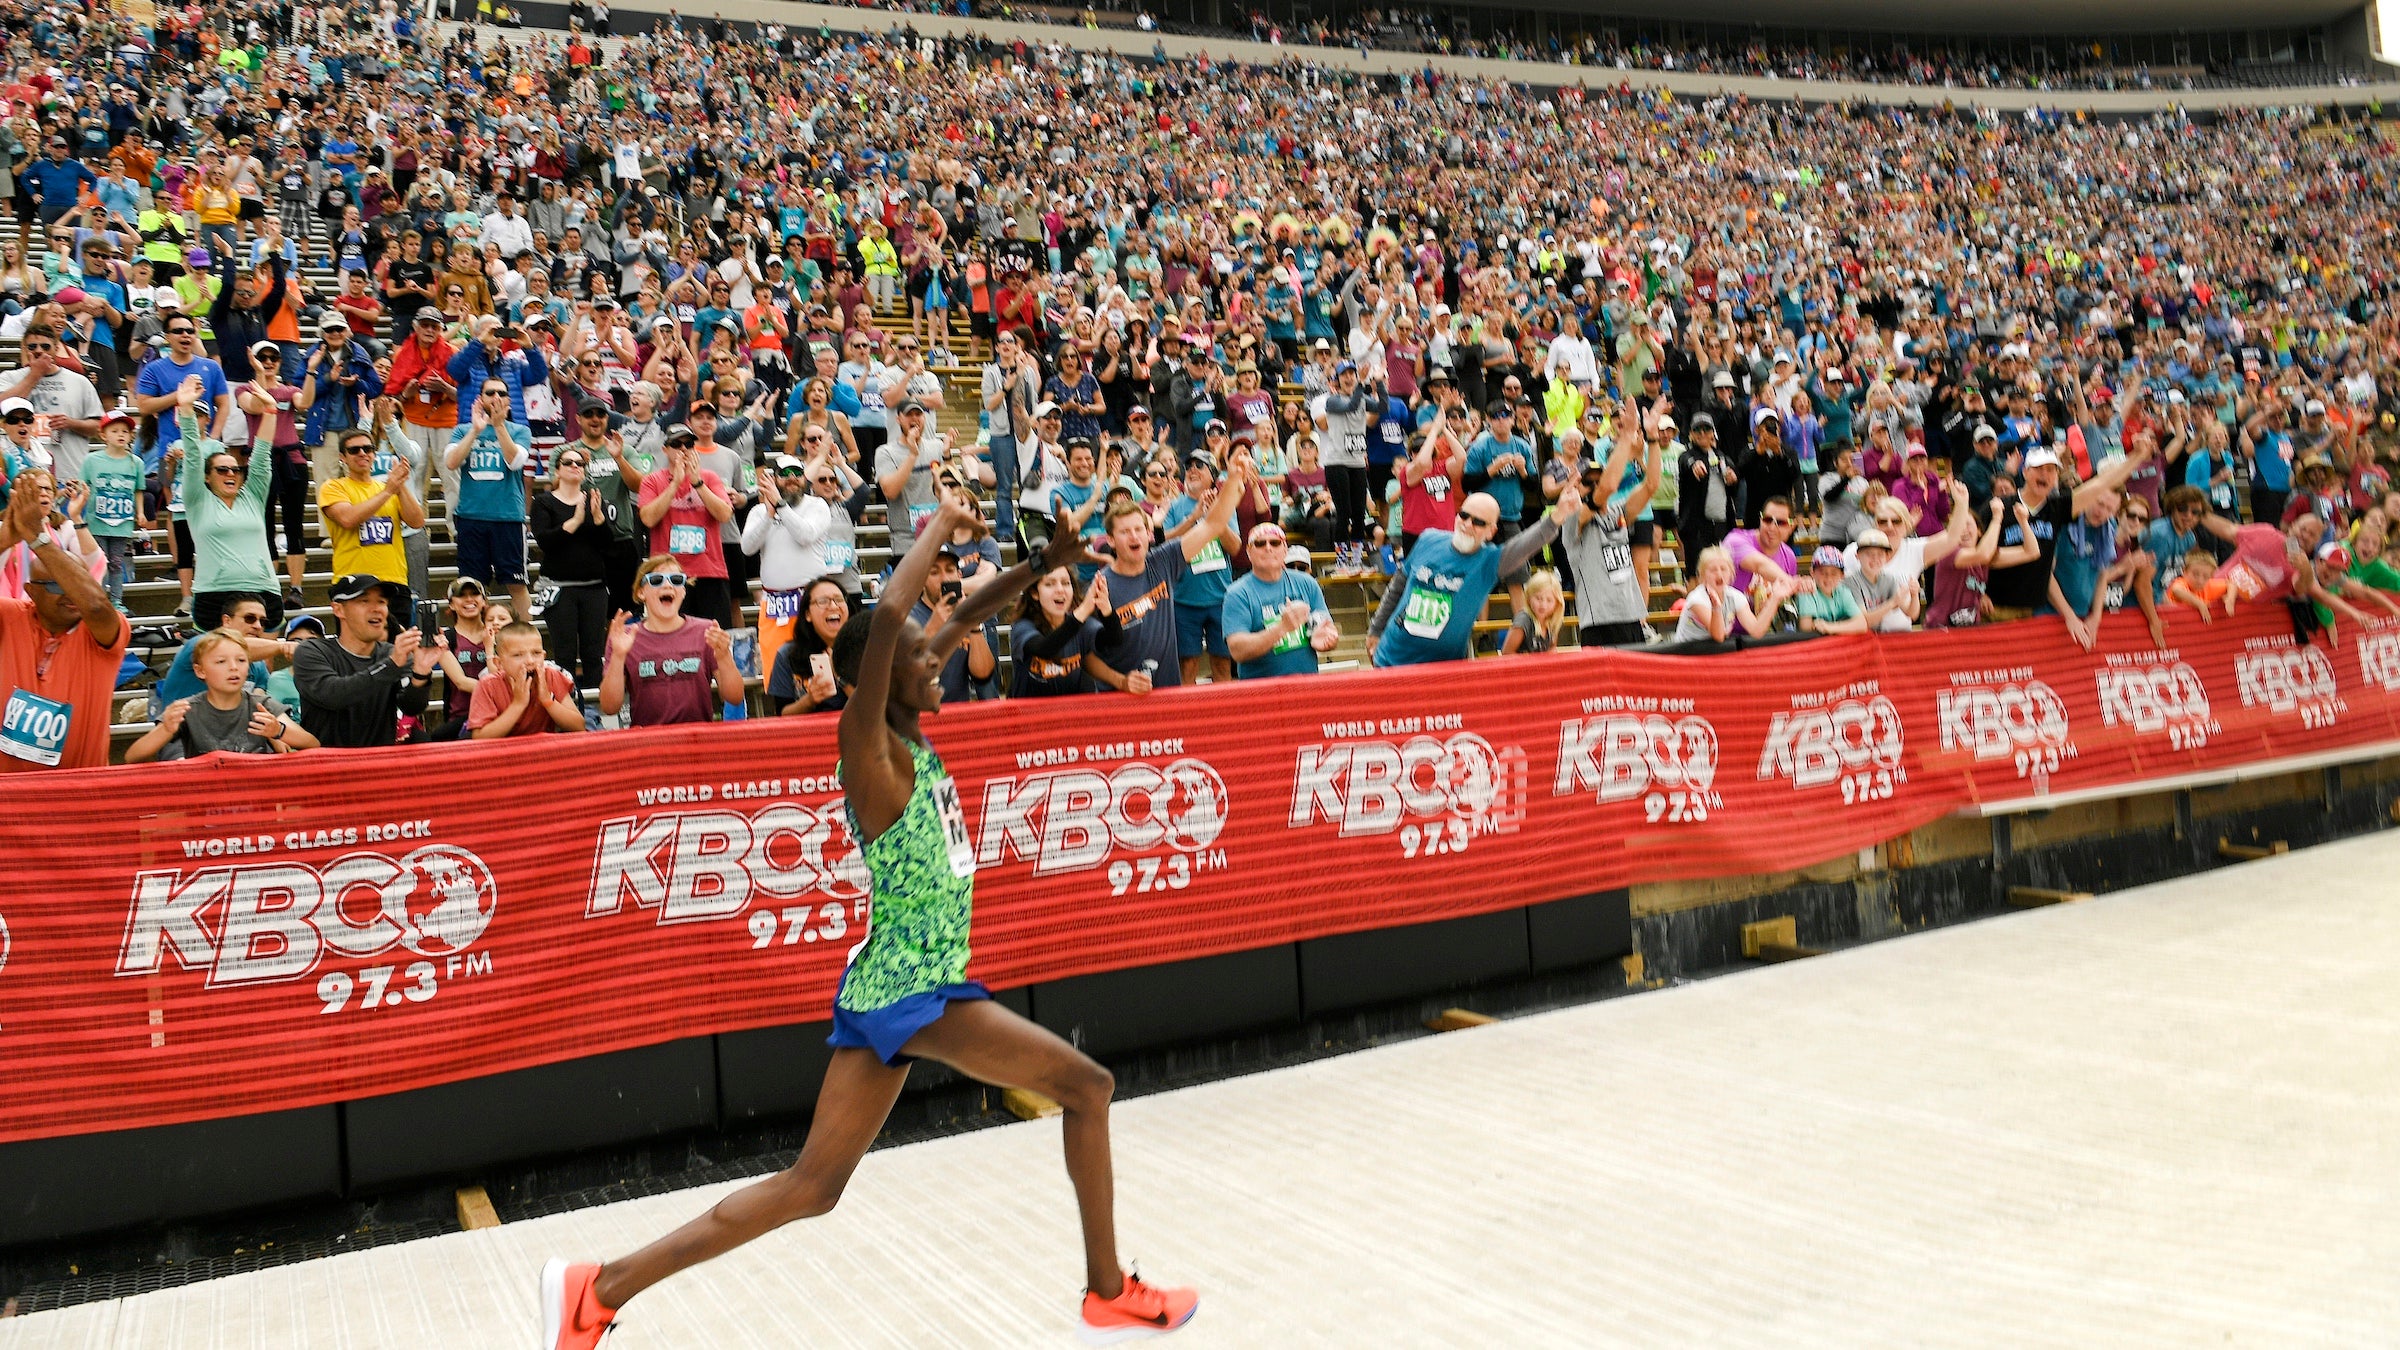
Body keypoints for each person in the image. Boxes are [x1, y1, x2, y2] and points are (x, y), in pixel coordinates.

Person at [537, 489, 1198, 1350]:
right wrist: (941, 523)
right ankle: (1107, 1290)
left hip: (893, 980)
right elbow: (892, 615)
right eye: (921, 660)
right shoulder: (869, 744)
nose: (941, 662)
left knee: (812, 1187)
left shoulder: (910, 727)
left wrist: (1041, 568)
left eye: (936, 654)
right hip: (917, 989)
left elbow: (948, 617)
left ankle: (599, 1287)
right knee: (1089, 1086)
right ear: (873, 679)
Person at [1083, 453, 1254, 694]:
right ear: (1110, 539)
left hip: (1166, 694)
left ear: (1148, 534)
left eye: (1139, 529)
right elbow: (1085, 656)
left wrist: (1234, 477)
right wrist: (1121, 681)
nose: (1134, 536)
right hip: (1121, 700)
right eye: (1125, 532)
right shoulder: (1101, 586)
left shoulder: (1164, 560)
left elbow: (1212, 524)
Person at [1369, 483, 1580, 668]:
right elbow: (1397, 587)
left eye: (1479, 522)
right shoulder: (1427, 540)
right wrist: (1376, 630)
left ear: (1491, 531)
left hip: (1444, 671)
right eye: (1464, 515)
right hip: (1391, 661)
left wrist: (1557, 516)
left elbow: (1525, 545)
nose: (1468, 524)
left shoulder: (1490, 562)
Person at [0, 478, 126, 771]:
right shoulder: (10, 616)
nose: (73, 596)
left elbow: (94, 603)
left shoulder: (101, 630)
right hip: (8, 801)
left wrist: (38, 539)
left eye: (78, 585)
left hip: (79, 799)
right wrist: (10, 533)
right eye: (58, 586)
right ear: (32, 591)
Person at [1554, 411, 1663, 648]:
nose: (1594, 486)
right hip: (1599, 622)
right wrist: (1625, 438)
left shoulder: (1618, 512)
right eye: (1587, 483)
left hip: (1631, 615)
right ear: (1576, 488)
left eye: (1597, 480)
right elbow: (1607, 487)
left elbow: (1652, 484)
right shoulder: (1574, 519)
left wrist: (1652, 440)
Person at [291, 574, 436, 749]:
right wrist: (391, 665)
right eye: (364, 601)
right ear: (339, 610)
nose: (376, 608)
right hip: (326, 768)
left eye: (381, 602)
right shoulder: (311, 651)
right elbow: (333, 695)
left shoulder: (391, 654)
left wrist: (421, 673)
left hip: (377, 766)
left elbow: (412, 707)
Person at [126, 630, 318, 761]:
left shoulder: (262, 705)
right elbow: (132, 756)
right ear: (200, 671)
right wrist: (165, 729)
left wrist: (279, 730)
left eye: (242, 660)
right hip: (207, 804)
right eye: (221, 661)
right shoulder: (187, 708)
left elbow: (312, 743)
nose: (233, 667)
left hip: (255, 805)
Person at [597, 557, 744, 727]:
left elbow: (734, 697)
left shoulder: (707, 630)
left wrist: (724, 657)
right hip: (649, 743)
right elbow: (609, 706)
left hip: (697, 741)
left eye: (676, 580)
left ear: (683, 591)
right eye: (656, 580)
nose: (667, 585)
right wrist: (618, 656)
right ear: (641, 592)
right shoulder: (625, 637)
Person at [445, 378, 535, 617]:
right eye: (490, 392)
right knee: (471, 586)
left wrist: (499, 426)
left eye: (502, 393)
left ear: (508, 399)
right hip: (471, 517)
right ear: (480, 398)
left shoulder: (520, 431)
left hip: (507, 518)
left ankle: (526, 640)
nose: (496, 397)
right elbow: (451, 462)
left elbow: (515, 462)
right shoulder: (463, 430)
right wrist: (475, 430)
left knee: (516, 583)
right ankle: (474, 642)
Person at [530, 443, 615, 691]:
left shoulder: (596, 500)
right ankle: (566, 708)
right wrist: (576, 520)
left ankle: (594, 712)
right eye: (568, 462)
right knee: (564, 653)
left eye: (579, 463)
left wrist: (598, 519)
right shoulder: (543, 502)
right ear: (557, 470)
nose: (575, 466)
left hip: (594, 588)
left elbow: (609, 547)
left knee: (593, 654)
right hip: (559, 588)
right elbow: (546, 541)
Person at [637, 424, 738, 630]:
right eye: (676, 444)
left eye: (689, 444)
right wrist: (674, 483)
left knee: (715, 642)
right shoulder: (652, 481)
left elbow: (725, 514)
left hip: (709, 572)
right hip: (668, 577)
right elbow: (647, 519)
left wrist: (697, 483)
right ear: (665, 449)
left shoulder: (709, 478)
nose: (683, 449)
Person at [743, 453, 834, 682]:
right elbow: (747, 547)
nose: (792, 478)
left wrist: (780, 506)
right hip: (774, 606)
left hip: (809, 603)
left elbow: (805, 535)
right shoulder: (758, 512)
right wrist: (768, 514)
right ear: (773, 479)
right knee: (776, 675)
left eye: (797, 473)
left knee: (818, 676)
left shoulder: (817, 505)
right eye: (784, 474)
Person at [318, 426, 425, 615]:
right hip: (352, 583)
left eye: (368, 449)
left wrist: (400, 487)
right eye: (354, 450)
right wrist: (388, 491)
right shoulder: (333, 487)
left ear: (374, 454)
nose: (362, 453)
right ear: (342, 457)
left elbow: (416, 521)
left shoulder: (388, 488)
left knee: (396, 645)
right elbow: (348, 518)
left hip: (394, 583)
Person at [1159, 454, 1245, 685]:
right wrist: (1194, 519)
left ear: (1212, 475)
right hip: (1184, 600)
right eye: (1188, 466)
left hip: (1220, 598)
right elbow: (1163, 543)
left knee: (1222, 663)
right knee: (1187, 665)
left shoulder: (1224, 504)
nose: (1192, 470)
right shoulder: (1174, 506)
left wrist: (1213, 519)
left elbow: (1235, 547)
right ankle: (1187, 719)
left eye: (1199, 465)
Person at [1221, 521, 1338, 678]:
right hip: (1261, 693)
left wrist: (1327, 640)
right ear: (1249, 551)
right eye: (1260, 543)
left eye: (1275, 543)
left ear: (1285, 549)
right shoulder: (1237, 593)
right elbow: (1237, 650)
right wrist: (1282, 628)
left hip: (1306, 687)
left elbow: (1327, 628)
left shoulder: (1307, 583)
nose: (1268, 548)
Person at [467, 621, 584, 738]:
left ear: (544, 657)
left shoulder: (551, 676)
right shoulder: (488, 685)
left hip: (541, 749)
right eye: (517, 655)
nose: (530, 661)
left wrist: (548, 701)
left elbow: (579, 726)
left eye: (536, 653)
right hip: (503, 752)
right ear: (499, 663)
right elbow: (480, 737)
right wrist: (518, 704)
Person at [1009, 565, 1112, 697]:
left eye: (1065, 583)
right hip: (1029, 715)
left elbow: (1113, 639)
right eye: (1049, 584)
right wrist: (1084, 609)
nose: (1060, 590)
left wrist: (1106, 609)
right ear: (1035, 593)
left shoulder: (1080, 624)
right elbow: (1045, 649)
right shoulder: (1022, 627)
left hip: (1069, 713)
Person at [766, 577, 851, 715]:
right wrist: (809, 700)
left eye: (839, 599)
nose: (834, 606)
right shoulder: (787, 654)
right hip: (808, 733)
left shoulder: (864, 647)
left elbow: (876, 708)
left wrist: (840, 676)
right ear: (807, 614)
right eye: (823, 601)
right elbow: (782, 713)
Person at [1674, 544, 1788, 641]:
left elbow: (1756, 631)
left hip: (1712, 655)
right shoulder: (1697, 599)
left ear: (1731, 573)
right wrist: (1717, 608)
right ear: (1702, 576)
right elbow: (1718, 636)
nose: (1719, 574)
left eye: (1723, 569)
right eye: (1713, 570)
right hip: (1686, 657)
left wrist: (1775, 598)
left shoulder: (1736, 596)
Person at [1794, 547, 1870, 635]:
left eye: (1834, 573)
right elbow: (1806, 628)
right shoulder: (1807, 592)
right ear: (1812, 572)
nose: (1828, 578)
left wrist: (1829, 627)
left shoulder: (1843, 592)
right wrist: (1846, 627)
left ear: (1842, 575)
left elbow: (1862, 624)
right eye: (1822, 572)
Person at [1500, 570, 1570, 654]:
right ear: (1529, 598)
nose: (1543, 605)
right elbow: (1507, 653)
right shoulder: (1523, 621)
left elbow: (1552, 649)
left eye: (1549, 600)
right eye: (1538, 598)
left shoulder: (1553, 621)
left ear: (1557, 603)